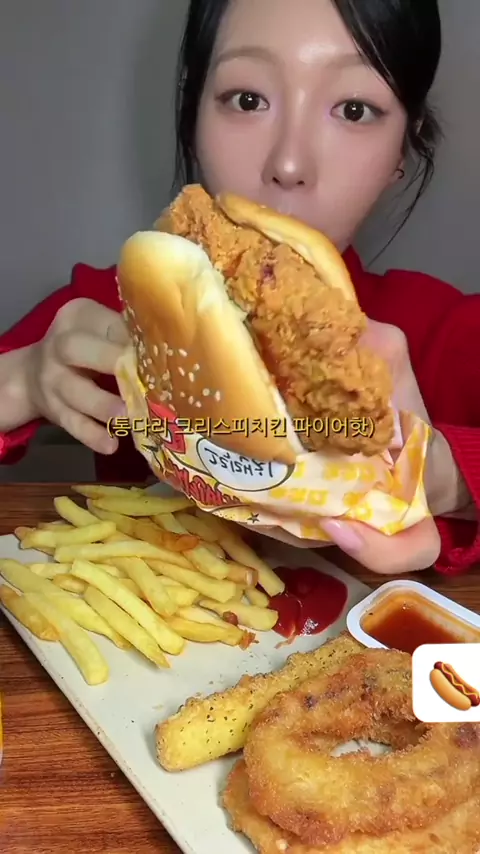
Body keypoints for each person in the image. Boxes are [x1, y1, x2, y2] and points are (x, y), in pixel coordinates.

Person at [0, 0, 478, 576]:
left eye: (354, 109)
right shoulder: (106, 313)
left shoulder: (442, 329)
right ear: (193, 113)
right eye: (248, 100)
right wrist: (24, 379)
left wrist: (443, 475)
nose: (289, 163)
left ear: (403, 147)